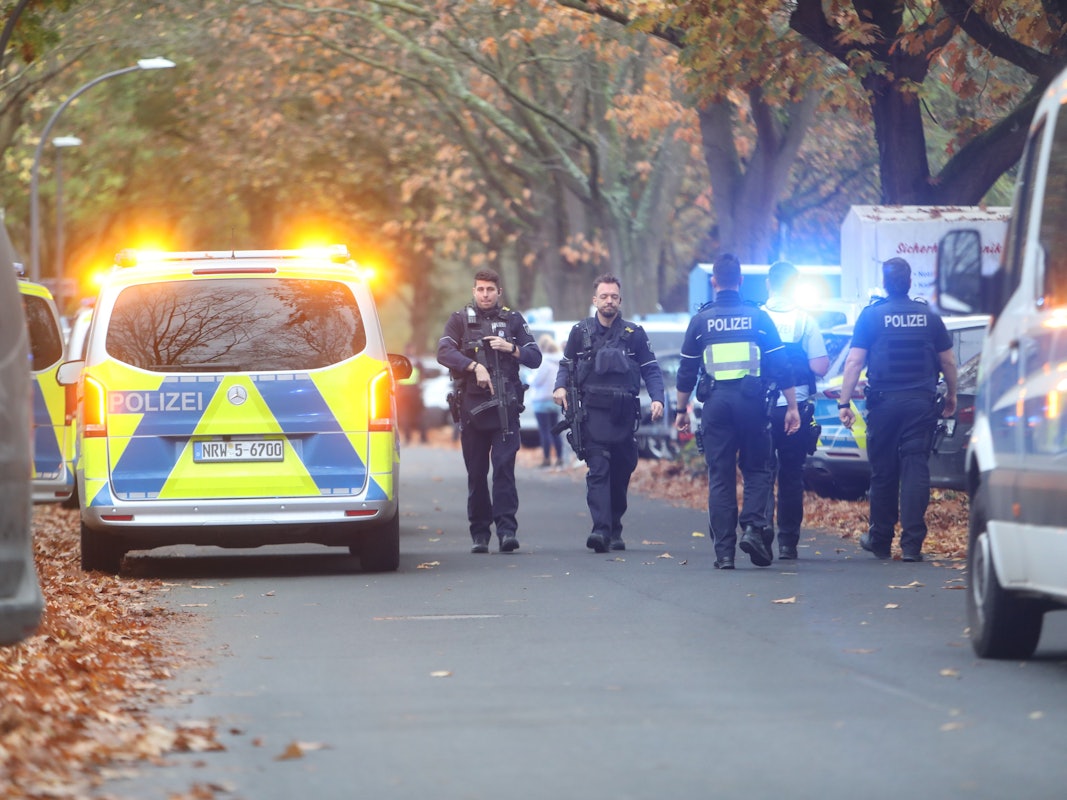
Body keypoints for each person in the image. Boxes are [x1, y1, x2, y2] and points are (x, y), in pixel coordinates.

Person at [674, 253, 800, 570]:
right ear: (741, 281)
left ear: (714, 282)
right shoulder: (758, 318)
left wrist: (681, 410)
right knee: (757, 469)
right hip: (753, 404)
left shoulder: (701, 321)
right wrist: (793, 406)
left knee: (721, 476)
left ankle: (724, 553)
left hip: (716, 405)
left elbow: (686, 371)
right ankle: (754, 529)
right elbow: (781, 366)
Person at [838, 257, 957, 562]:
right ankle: (912, 545)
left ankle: (880, 540)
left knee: (883, 472)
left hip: (884, 404)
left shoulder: (872, 316)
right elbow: (947, 361)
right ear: (909, 282)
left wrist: (844, 401)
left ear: (885, 282)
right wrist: (953, 395)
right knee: (916, 468)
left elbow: (853, 362)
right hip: (920, 403)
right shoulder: (928, 315)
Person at [553, 274, 664, 553]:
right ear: (595, 300)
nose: (609, 301)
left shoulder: (634, 334)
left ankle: (614, 526)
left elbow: (651, 368)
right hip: (592, 416)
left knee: (622, 470)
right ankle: (600, 531)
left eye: (613, 296)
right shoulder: (580, 332)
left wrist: (658, 398)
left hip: (624, 416)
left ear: (620, 300)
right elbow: (566, 364)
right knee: (599, 470)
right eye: (604, 296)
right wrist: (560, 388)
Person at [437, 269, 542, 554]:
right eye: (480, 289)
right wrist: (474, 366)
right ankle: (480, 533)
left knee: (504, 471)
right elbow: (443, 352)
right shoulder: (459, 320)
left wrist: (512, 348)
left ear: (498, 292)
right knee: (476, 473)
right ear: (474, 291)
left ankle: (507, 530)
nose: (485, 294)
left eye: (490, 290)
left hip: (506, 410)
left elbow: (535, 357)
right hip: (472, 410)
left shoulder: (513, 320)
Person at [761, 261, 830, 559]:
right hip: (797, 408)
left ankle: (760, 533)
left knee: (760, 474)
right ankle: (788, 543)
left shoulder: (757, 316)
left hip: (761, 408)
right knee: (790, 476)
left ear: (768, 284)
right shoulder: (805, 320)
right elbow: (820, 366)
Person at [528, 334, 564, 468]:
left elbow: (537, 381)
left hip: (541, 401)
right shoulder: (560, 361)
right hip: (554, 400)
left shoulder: (544, 362)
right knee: (555, 430)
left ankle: (547, 459)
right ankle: (560, 458)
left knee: (544, 431)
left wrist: (529, 379)